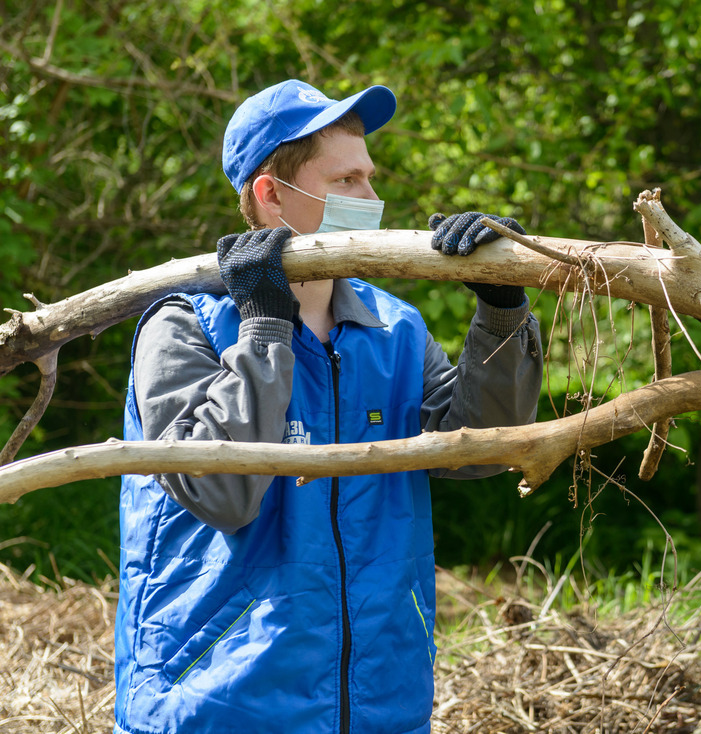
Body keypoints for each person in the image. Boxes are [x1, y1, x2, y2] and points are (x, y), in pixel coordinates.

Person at [114, 79, 543, 734]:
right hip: (216, 708)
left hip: (380, 704)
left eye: (370, 178)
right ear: (271, 195)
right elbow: (222, 491)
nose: (373, 201)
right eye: (347, 181)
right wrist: (263, 328)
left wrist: (503, 309)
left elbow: (482, 452)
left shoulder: (394, 330)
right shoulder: (182, 325)